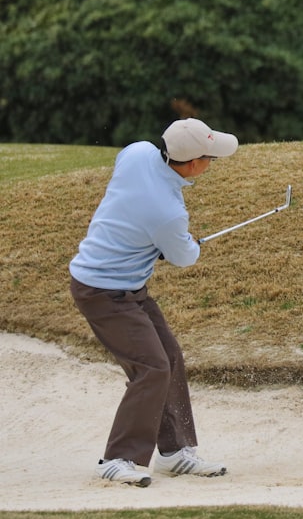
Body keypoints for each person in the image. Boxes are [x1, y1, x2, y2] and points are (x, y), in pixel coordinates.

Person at [69, 118, 238, 487]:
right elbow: (185, 257)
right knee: (152, 366)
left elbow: (135, 204)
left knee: (170, 357)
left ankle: (175, 452)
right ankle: (118, 458)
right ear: (193, 164)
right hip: (102, 292)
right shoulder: (168, 212)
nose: (212, 163)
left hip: (128, 288)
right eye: (210, 157)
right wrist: (183, 241)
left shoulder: (138, 152)